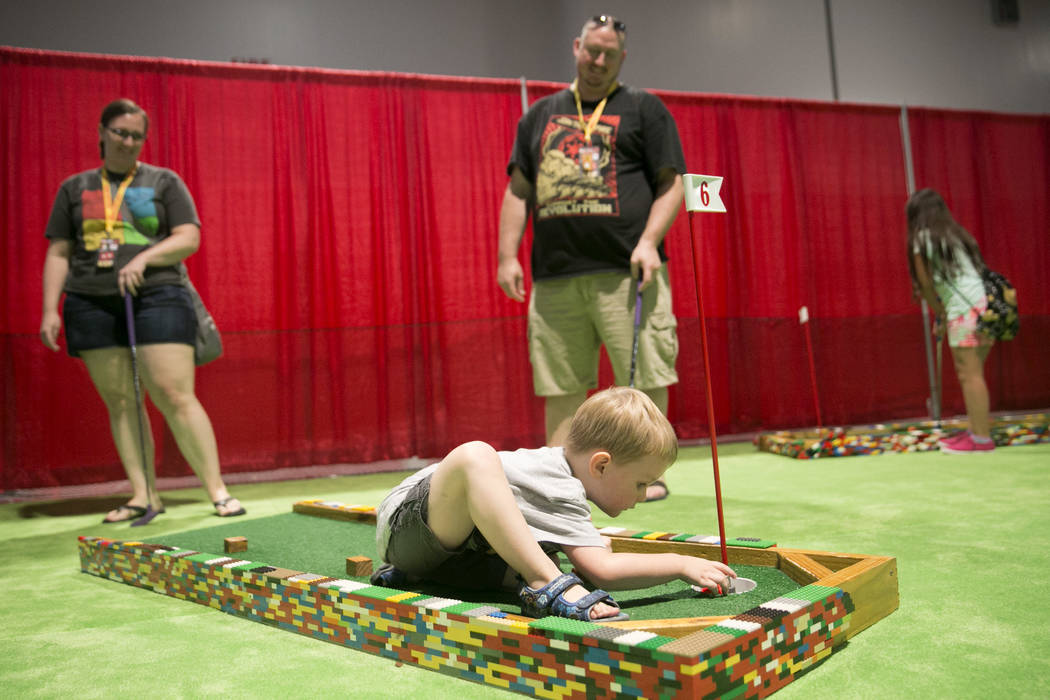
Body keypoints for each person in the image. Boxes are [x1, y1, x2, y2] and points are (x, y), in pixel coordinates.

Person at [497, 15, 685, 502]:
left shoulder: (645, 109)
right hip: (556, 277)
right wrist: (506, 256)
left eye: (609, 54)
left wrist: (649, 241)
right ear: (577, 48)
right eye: (591, 51)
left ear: (622, 57)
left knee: (643, 378)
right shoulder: (540, 114)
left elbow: (672, 183)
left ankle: (646, 477)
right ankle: (561, 484)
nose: (598, 61)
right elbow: (519, 191)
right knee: (559, 383)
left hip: (626, 274)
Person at [39, 98, 246, 521]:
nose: (128, 142)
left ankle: (218, 491)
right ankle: (143, 495)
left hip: (158, 293)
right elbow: (60, 250)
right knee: (121, 400)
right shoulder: (74, 188)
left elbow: (189, 237)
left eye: (136, 136)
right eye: (120, 133)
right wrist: (49, 309)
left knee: (174, 394)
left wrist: (143, 258)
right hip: (90, 300)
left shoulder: (163, 181)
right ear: (102, 132)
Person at [373, 387, 735, 622]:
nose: (642, 496)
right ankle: (546, 582)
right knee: (475, 455)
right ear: (601, 465)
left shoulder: (565, 478)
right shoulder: (559, 484)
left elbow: (595, 567)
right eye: (640, 483)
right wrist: (679, 563)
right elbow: (603, 571)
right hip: (409, 523)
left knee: (545, 556)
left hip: (443, 550)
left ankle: (422, 577)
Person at [906, 188, 995, 454]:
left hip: (963, 310)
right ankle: (978, 431)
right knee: (974, 372)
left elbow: (924, 284)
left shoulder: (920, 239)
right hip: (985, 306)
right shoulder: (957, 236)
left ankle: (981, 439)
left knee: (970, 375)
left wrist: (940, 313)